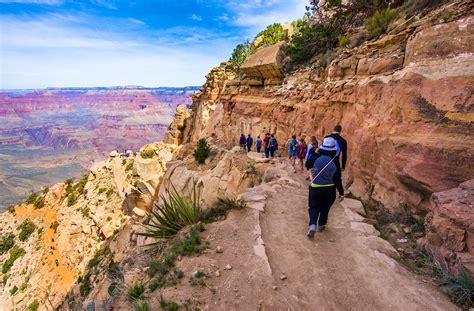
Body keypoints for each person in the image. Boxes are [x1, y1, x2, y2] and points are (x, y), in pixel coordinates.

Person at [307, 137, 344, 239]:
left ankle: (312, 225)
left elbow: (308, 164)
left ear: (322, 148)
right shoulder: (335, 162)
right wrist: (341, 192)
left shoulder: (316, 158)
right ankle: (321, 225)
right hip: (330, 189)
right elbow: (337, 179)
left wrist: (315, 152)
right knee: (325, 208)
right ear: (333, 150)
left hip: (315, 187)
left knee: (314, 207)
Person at [326, 125, 347, 199]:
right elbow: (344, 155)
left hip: (325, 160)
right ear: (340, 131)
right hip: (335, 161)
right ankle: (341, 194)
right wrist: (343, 166)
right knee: (337, 178)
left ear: (333, 129)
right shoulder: (343, 141)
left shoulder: (326, 138)